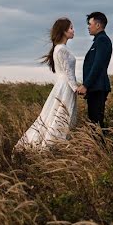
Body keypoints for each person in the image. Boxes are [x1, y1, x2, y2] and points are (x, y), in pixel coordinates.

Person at [15, 17, 80, 150]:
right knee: (61, 115)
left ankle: (56, 144)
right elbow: (68, 72)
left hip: (64, 85)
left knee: (57, 114)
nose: (73, 31)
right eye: (71, 28)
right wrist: (76, 88)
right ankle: (51, 145)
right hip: (65, 86)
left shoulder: (59, 48)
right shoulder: (61, 49)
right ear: (63, 31)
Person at [78, 11, 112, 129]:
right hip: (95, 87)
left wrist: (86, 85)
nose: (88, 26)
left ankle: (101, 147)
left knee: (96, 123)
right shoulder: (98, 40)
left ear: (98, 25)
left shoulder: (102, 40)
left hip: (98, 87)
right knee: (95, 122)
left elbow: (97, 65)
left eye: (90, 23)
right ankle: (98, 146)